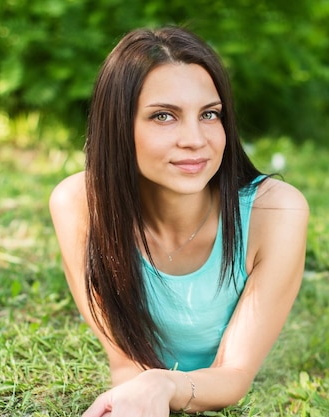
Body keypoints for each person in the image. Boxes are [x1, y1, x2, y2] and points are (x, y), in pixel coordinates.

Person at [49, 26, 309, 416]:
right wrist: (143, 391)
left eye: (209, 114)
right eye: (164, 116)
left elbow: (234, 375)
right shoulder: (79, 205)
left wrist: (161, 384)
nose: (195, 139)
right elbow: (125, 363)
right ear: (118, 126)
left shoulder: (275, 213)